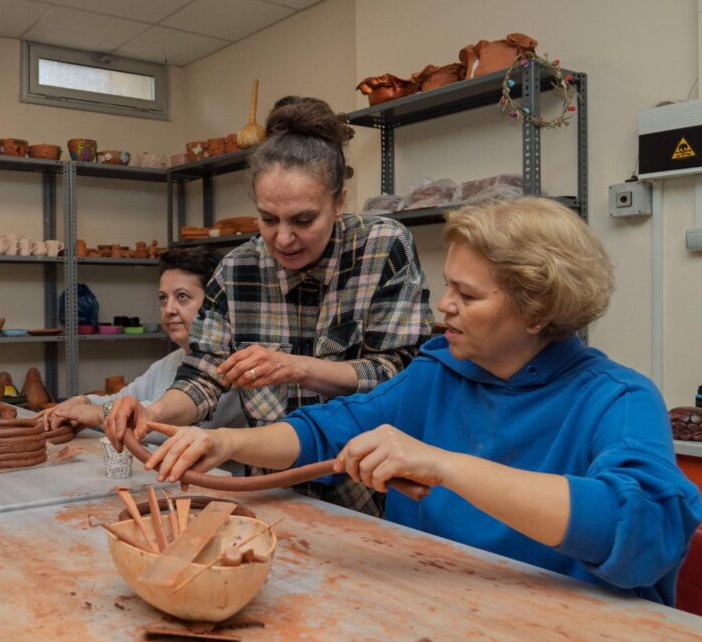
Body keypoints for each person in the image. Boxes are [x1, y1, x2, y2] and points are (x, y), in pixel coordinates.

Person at [136, 197, 702, 605]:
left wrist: (446, 465)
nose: (444, 306)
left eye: (467, 295)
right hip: (434, 612)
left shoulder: (618, 400)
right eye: (447, 285)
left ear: (538, 310)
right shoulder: (440, 371)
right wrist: (223, 441)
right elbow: (328, 429)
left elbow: (644, 532)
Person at [105, 96, 434, 514]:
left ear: (339, 202)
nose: (283, 239)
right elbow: (202, 377)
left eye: (303, 220)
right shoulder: (236, 269)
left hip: (372, 494)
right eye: (268, 219)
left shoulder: (382, 247)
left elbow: (400, 374)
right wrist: (151, 411)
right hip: (275, 495)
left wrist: (298, 367)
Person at [42, 246, 246, 433]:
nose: (169, 309)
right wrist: (82, 402)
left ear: (215, 302)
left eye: (182, 296)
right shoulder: (169, 363)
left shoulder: (232, 366)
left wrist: (97, 414)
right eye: (163, 298)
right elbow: (122, 399)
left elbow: (169, 428)